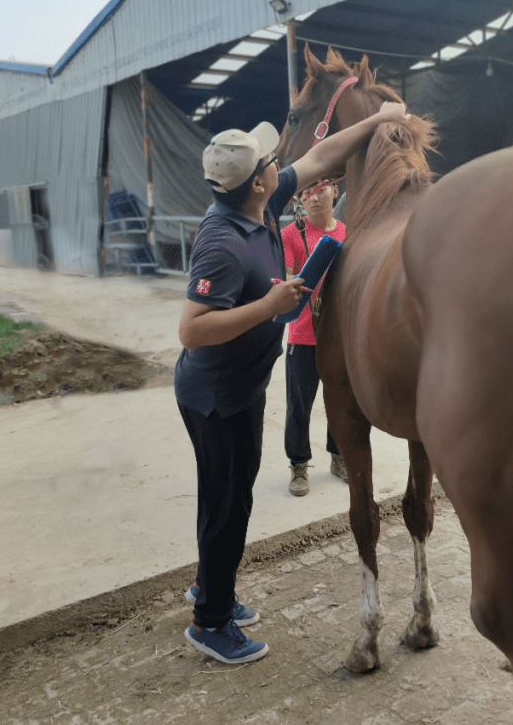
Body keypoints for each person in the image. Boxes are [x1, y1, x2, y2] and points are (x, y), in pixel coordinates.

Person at [175, 101, 408, 665]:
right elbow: (191, 329)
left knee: (234, 497)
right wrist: (269, 305)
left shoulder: (264, 202)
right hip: (215, 397)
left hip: (244, 387)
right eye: (272, 162)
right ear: (257, 182)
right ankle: (210, 620)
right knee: (226, 505)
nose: (283, 163)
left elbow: (325, 152)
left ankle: (215, 590)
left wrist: (379, 119)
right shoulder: (221, 242)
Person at [281, 180, 347, 496]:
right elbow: (285, 279)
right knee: (299, 406)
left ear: (335, 191)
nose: (313, 196)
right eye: (306, 192)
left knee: (340, 401)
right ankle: (298, 465)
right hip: (303, 335)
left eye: (320, 188)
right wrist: (293, 283)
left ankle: (338, 456)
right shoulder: (291, 234)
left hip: (338, 338)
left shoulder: (348, 234)